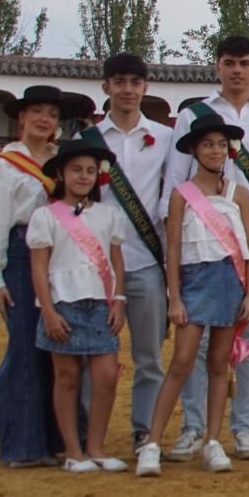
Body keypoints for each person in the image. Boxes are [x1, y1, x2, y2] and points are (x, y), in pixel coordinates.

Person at [163, 35, 249, 463]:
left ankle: (243, 428)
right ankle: (194, 427)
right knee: (195, 340)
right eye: (229, 62)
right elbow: (175, 180)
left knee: (248, 335)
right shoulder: (192, 115)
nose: (237, 70)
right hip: (200, 241)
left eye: (244, 62)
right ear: (217, 66)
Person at [136, 113, 249, 477]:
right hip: (193, 281)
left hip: (229, 280)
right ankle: (153, 444)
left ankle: (214, 441)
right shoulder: (180, 195)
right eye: (208, 144)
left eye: (222, 144)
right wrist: (174, 297)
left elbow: (248, 248)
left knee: (220, 363)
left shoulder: (240, 194)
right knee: (182, 361)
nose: (216, 150)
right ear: (194, 150)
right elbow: (172, 250)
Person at [0, 85, 89, 467]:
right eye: (37, 112)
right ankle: (22, 446)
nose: (45, 119)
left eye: (52, 114)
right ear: (21, 118)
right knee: (26, 347)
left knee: (59, 348)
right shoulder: (3, 165)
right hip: (22, 254)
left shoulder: (64, 161)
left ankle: (59, 439)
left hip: (64, 256)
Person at [87, 52, 174, 452]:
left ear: (145, 87)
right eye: (119, 82)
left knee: (149, 357)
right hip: (93, 264)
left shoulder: (165, 140)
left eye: (134, 83)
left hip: (146, 260)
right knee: (91, 354)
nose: (127, 90)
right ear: (105, 87)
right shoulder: (87, 141)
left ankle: (145, 430)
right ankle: (89, 430)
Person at [28, 133, 128, 473]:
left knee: (105, 378)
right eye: (75, 170)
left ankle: (96, 447)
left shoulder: (108, 214)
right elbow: (39, 268)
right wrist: (49, 311)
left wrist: (119, 300)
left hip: (101, 304)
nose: (83, 176)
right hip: (64, 305)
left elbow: (117, 262)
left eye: (89, 170)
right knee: (67, 378)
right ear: (61, 175)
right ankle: (74, 452)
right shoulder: (45, 216)